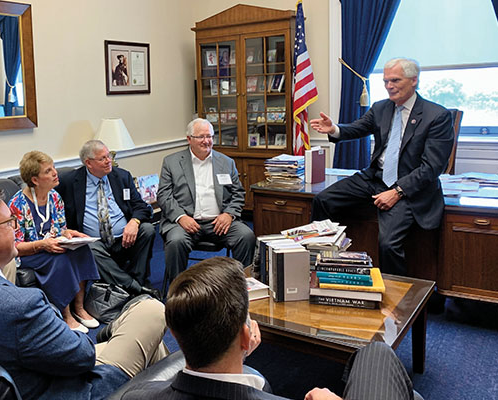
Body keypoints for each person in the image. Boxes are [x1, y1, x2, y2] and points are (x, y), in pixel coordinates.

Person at [0, 189, 170, 400]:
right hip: (74, 388)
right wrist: (53, 314)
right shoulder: (19, 306)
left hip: (27, 374)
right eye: (9, 223)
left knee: (153, 344)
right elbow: (83, 355)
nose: (15, 229)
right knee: (151, 310)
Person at [121, 256, 415, 400]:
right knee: (376, 354)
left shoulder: (134, 396)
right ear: (247, 336)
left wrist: (236, 352)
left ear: (174, 332)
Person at [309, 58, 454, 276]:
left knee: (388, 244)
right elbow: (357, 129)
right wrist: (334, 129)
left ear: (414, 80)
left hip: (408, 187)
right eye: (386, 81)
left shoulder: (437, 116)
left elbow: (432, 168)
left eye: (395, 80)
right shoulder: (381, 108)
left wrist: (397, 192)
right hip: (375, 178)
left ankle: (398, 296)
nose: (389, 86)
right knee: (323, 200)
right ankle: (322, 265)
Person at [8, 151, 100, 332]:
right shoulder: (16, 204)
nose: (55, 173)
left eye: (54, 168)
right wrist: (42, 245)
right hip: (29, 253)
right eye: (48, 171)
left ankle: (79, 308)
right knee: (60, 258)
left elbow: (59, 230)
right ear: (35, 180)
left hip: (51, 245)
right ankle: (66, 316)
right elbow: (15, 246)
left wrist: (70, 234)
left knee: (82, 250)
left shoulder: (54, 197)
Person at [157, 118, 255, 288]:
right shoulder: (171, 162)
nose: (206, 141)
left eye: (210, 136)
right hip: (185, 222)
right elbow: (164, 195)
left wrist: (228, 214)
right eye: (201, 137)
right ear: (189, 139)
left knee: (246, 236)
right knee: (176, 242)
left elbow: (238, 193)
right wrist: (181, 217)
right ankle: (178, 290)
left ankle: (242, 286)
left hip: (219, 222)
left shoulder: (226, 162)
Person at [57, 140, 159, 299]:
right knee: (89, 248)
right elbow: (53, 206)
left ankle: (135, 281)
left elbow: (140, 205)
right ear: (88, 163)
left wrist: (134, 222)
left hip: (124, 238)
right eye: (102, 158)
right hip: (93, 241)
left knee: (147, 230)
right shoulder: (69, 181)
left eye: (108, 156)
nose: (108, 161)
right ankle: (135, 288)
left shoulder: (122, 176)